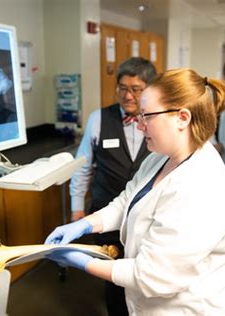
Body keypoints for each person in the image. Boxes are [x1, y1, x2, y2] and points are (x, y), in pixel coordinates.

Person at [46, 68, 225, 315]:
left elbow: (152, 274)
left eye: (147, 116)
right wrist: (86, 224)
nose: (140, 125)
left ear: (182, 118)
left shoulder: (200, 187)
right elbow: (127, 200)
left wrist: (84, 262)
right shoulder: (161, 159)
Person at [69, 57, 157, 315]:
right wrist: (77, 209)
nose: (127, 95)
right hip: (105, 214)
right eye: (122, 87)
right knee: (114, 279)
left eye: (136, 89)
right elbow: (82, 167)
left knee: (143, 277)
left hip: (146, 217)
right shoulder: (99, 119)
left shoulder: (155, 121)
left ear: (149, 89)